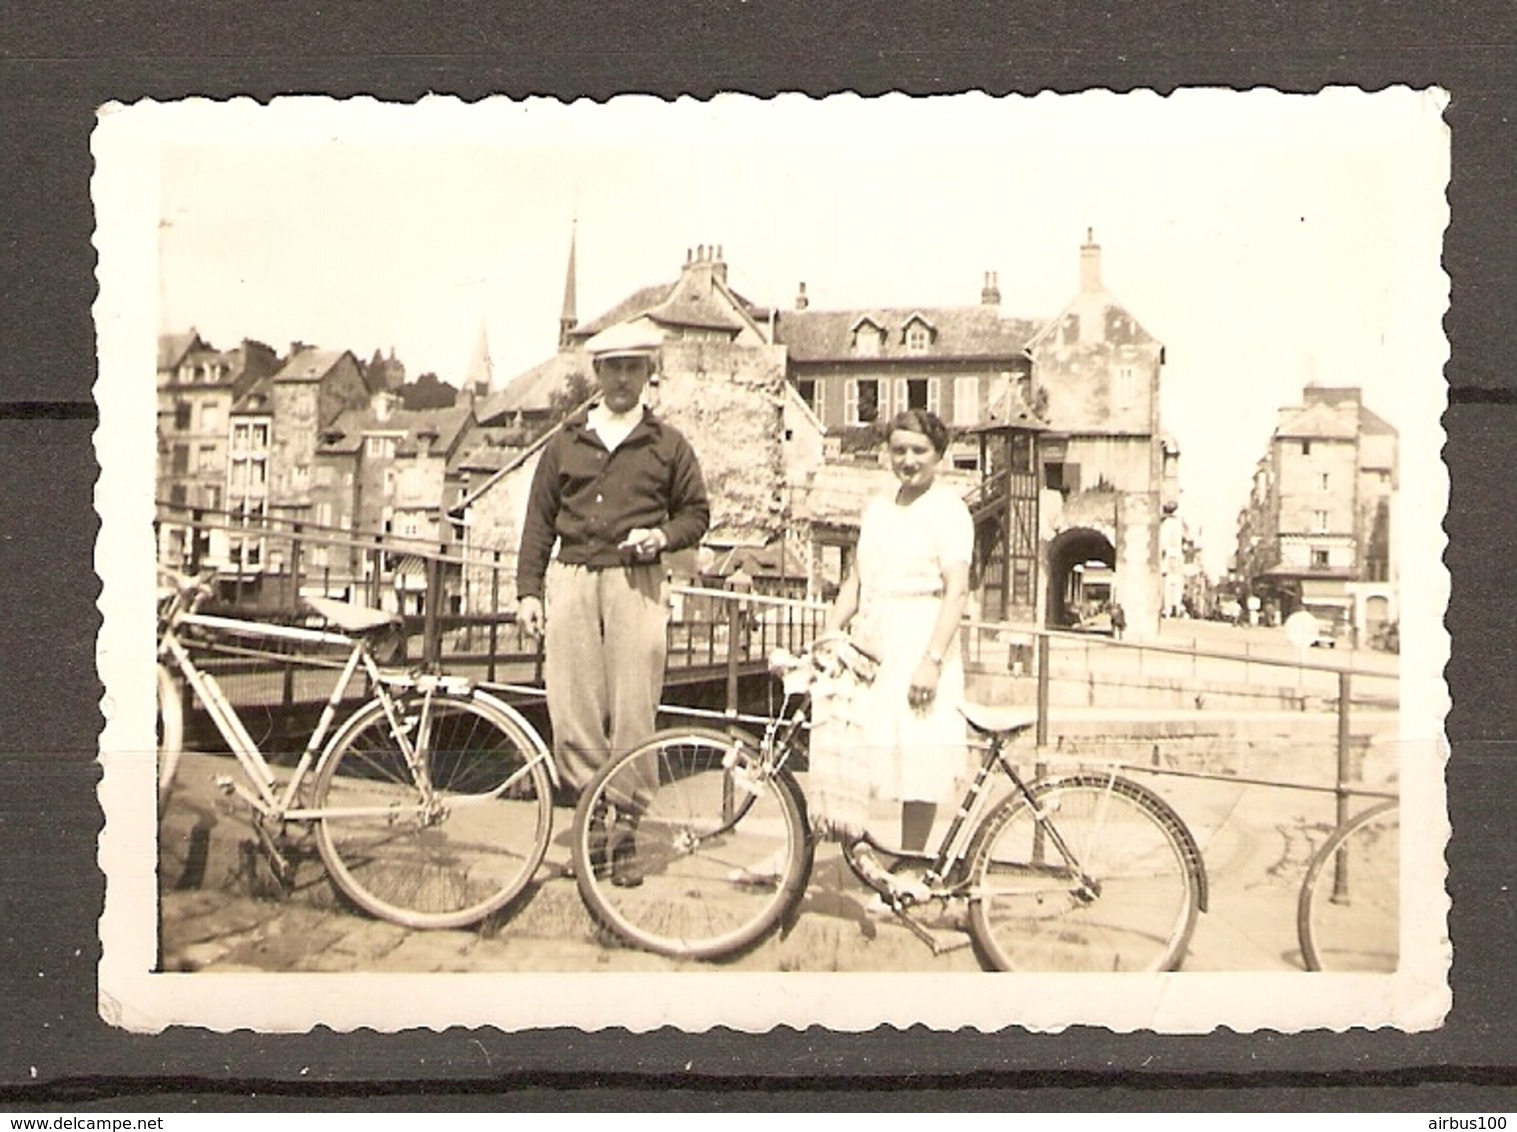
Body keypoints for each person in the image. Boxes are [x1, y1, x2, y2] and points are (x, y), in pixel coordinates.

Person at [515, 320, 710, 801]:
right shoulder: (567, 440)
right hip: (574, 578)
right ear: (598, 372)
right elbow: (539, 520)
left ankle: (623, 825)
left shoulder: (668, 444)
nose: (623, 379)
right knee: (571, 706)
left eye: (633, 368)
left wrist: (661, 537)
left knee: (634, 707)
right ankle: (589, 818)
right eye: (613, 368)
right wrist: (527, 591)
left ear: (648, 372)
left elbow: (696, 514)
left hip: (636, 582)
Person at [810, 408, 973, 867]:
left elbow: (957, 589)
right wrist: (829, 632)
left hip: (922, 635)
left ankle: (912, 861)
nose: (908, 460)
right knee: (859, 750)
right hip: (874, 638)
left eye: (919, 451)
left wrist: (932, 661)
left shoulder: (948, 509)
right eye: (898, 450)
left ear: (938, 454)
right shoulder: (879, 508)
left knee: (917, 756)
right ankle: (859, 857)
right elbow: (856, 580)